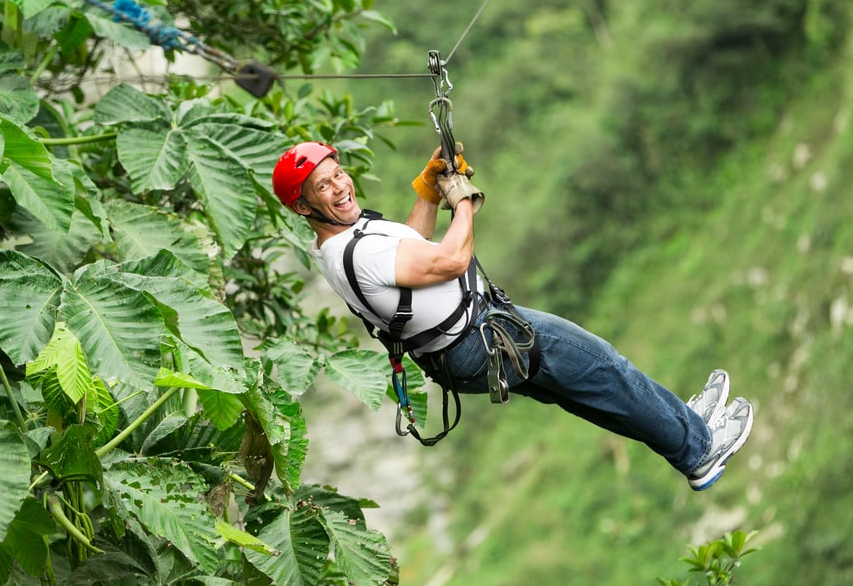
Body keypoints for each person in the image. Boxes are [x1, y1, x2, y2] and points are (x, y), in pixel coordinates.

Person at [271, 141, 754, 490]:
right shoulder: (354, 252)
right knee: (602, 366)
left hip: (467, 346)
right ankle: (698, 449)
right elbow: (450, 260)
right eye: (323, 185)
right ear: (302, 205)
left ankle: (688, 428)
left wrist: (430, 188)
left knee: (591, 391)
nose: (339, 186)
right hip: (481, 337)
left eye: (337, 174)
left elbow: (410, 251)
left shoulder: (342, 239)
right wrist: (464, 203)